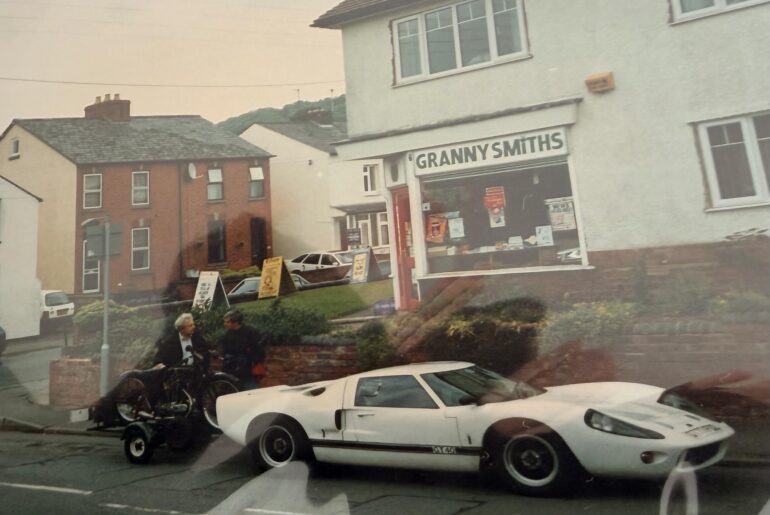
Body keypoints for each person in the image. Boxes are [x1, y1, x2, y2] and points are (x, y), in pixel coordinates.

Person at [219, 309, 264, 389]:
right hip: (231, 371)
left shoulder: (250, 332)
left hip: (247, 371)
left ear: (235, 322)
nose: (224, 324)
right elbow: (225, 351)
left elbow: (259, 351)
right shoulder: (227, 334)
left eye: (227, 322)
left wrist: (254, 362)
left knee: (251, 393)